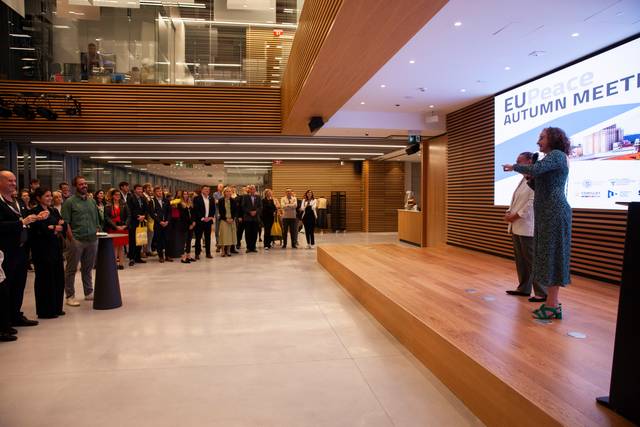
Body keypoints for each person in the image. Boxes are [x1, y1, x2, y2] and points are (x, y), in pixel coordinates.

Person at [502, 127, 572, 320]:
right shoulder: (548, 158)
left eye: (541, 137)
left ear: (554, 139)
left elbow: (538, 169)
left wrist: (514, 167)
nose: (537, 142)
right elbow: (538, 184)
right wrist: (529, 178)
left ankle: (551, 305)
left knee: (552, 257)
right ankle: (552, 304)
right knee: (548, 258)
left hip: (555, 212)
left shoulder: (557, 155)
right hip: (546, 214)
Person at [0, 170, 42, 338]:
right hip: (5, 251)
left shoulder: (17, 202)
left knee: (19, 284)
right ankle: (4, 321)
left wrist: (36, 217)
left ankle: (16, 314)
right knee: (6, 287)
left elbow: (25, 219)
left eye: (14, 180)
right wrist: (20, 223)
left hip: (22, 249)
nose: (13, 183)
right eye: (9, 180)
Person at [504, 152, 546, 302]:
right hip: (516, 226)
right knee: (521, 261)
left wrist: (514, 216)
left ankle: (542, 292)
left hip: (527, 227)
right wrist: (509, 212)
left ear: (529, 162)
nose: (516, 165)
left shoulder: (536, 179)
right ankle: (524, 289)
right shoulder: (524, 179)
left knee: (532, 260)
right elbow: (517, 200)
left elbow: (531, 204)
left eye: (519, 162)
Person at [62, 176, 101, 307]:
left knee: (88, 268)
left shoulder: (92, 202)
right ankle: (70, 295)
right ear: (75, 186)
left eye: (85, 183)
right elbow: (66, 222)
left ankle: (88, 292)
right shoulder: (69, 202)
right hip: (77, 240)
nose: (84, 186)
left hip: (92, 239)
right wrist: (71, 239)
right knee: (71, 269)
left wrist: (96, 230)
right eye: (81, 184)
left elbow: (96, 219)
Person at [29, 188, 67, 319]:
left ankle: (57, 307)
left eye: (51, 196)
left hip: (55, 248)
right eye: (46, 196)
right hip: (42, 250)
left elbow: (63, 224)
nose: (50, 198)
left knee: (58, 277)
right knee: (45, 279)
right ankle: (46, 310)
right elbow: (41, 229)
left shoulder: (54, 210)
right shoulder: (34, 212)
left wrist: (54, 227)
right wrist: (54, 227)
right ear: (39, 198)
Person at [104, 189, 129, 270]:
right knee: (114, 246)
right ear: (112, 196)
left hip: (122, 227)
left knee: (121, 246)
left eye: (119, 195)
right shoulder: (108, 205)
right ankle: (114, 264)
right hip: (113, 227)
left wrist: (125, 225)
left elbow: (129, 215)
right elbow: (107, 218)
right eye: (116, 195)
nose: (118, 196)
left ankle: (121, 264)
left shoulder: (124, 204)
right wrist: (115, 226)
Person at [127, 184, 148, 267]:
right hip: (133, 222)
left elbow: (147, 209)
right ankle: (131, 258)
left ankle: (138, 257)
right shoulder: (130, 198)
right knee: (133, 241)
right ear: (135, 190)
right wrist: (137, 216)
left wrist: (144, 216)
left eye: (141, 189)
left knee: (140, 240)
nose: (140, 191)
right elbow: (129, 210)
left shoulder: (143, 198)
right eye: (138, 189)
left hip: (142, 222)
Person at [192, 185, 216, 260]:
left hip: (208, 221)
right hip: (199, 221)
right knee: (198, 238)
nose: (207, 191)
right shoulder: (196, 198)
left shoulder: (211, 198)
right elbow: (196, 210)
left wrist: (210, 217)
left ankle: (208, 253)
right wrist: (202, 218)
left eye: (208, 190)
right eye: (205, 189)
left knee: (208, 238)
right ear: (202, 190)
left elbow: (213, 209)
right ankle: (197, 253)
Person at [150, 186, 171, 263]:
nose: (160, 192)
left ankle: (167, 256)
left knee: (167, 240)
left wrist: (167, 221)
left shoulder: (166, 200)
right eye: (158, 191)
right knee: (159, 241)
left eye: (160, 191)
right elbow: (152, 213)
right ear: (155, 192)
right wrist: (160, 222)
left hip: (166, 224)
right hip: (158, 224)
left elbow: (169, 212)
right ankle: (161, 256)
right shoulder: (152, 201)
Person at [217, 187, 239, 257]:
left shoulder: (233, 200)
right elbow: (220, 211)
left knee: (230, 236)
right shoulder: (221, 200)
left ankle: (228, 251)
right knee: (223, 236)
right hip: (224, 220)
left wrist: (232, 218)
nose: (228, 193)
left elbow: (235, 211)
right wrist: (226, 219)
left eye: (230, 191)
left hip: (232, 220)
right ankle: (223, 251)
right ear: (224, 192)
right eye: (227, 191)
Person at [143, 183, 154, 258]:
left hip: (151, 219)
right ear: (145, 189)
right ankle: (143, 251)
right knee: (144, 235)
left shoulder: (150, 197)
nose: (150, 189)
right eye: (148, 188)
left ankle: (148, 250)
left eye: (151, 188)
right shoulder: (143, 196)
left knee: (150, 234)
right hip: (145, 218)